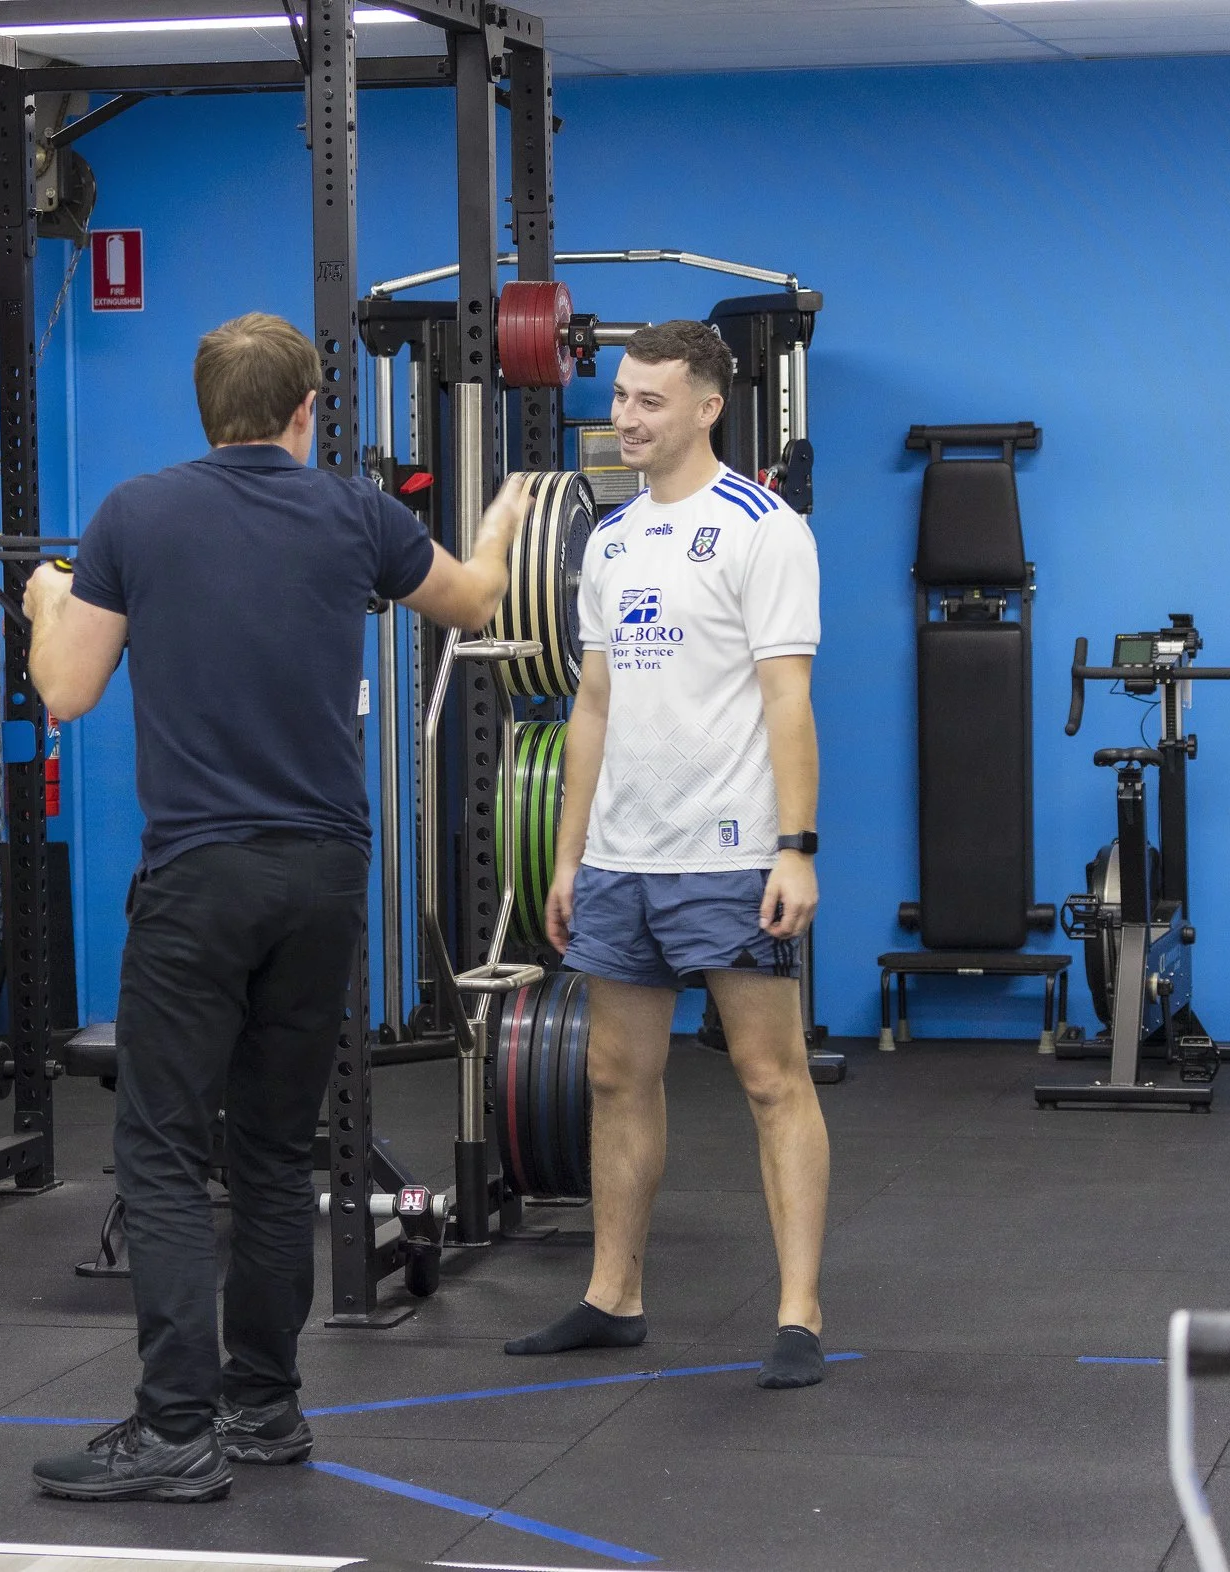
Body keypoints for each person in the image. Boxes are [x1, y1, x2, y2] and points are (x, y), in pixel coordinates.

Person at [20, 312, 531, 1503]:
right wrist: (497, 522)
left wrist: (49, 598)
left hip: (201, 882)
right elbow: (476, 603)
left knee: (156, 1151)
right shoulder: (358, 513)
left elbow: (66, 690)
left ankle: (174, 1427)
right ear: (306, 410)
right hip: (322, 879)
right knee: (265, 1155)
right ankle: (262, 1410)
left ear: (205, 408)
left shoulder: (132, 517)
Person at [503, 319, 830, 1390]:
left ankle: (796, 1313)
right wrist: (568, 853)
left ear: (706, 406)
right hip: (620, 860)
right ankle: (614, 1296)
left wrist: (795, 848)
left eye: (649, 399)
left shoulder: (763, 528)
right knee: (612, 1077)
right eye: (619, 395)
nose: (624, 416)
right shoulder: (608, 538)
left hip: (730, 853)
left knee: (769, 1079)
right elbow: (591, 704)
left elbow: (789, 699)